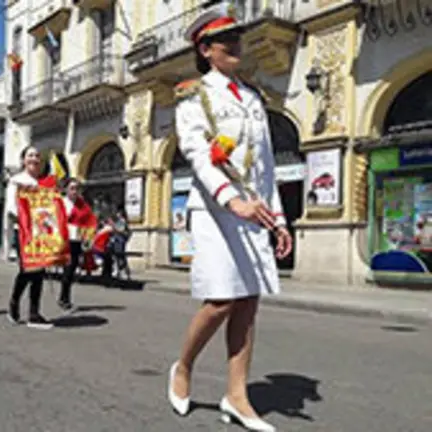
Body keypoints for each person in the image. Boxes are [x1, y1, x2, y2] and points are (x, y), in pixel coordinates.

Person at [166, 4, 293, 432]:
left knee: (248, 301)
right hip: (216, 210)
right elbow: (199, 156)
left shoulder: (253, 97)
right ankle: (183, 367)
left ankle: (237, 396)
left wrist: (279, 219)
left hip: (254, 208)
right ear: (206, 49)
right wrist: (230, 198)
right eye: (228, 41)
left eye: (238, 39)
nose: (238, 46)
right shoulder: (193, 96)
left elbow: (267, 166)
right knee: (221, 300)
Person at [4, 146, 53, 330]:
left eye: (37, 155)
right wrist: (26, 219)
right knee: (27, 270)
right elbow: (11, 207)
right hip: (24, 231)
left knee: (39, 272)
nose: (34, 158)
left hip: (41, 232)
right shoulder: (16, 181)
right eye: (30, 155)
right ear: (23, 160)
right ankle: (14, 302)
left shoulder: (43, 183)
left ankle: (34, 312)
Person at [59, 178, 94, 312]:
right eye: (72, 188)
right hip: (64, 240)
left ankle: (64, 297)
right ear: (66, 189)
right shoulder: (61, 203)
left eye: (77, 189)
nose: (75, 191)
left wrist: (86, 238)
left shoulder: (82, 205)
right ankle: (64, 299)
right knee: (67, 270)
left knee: (71, 270)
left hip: (76, 240)